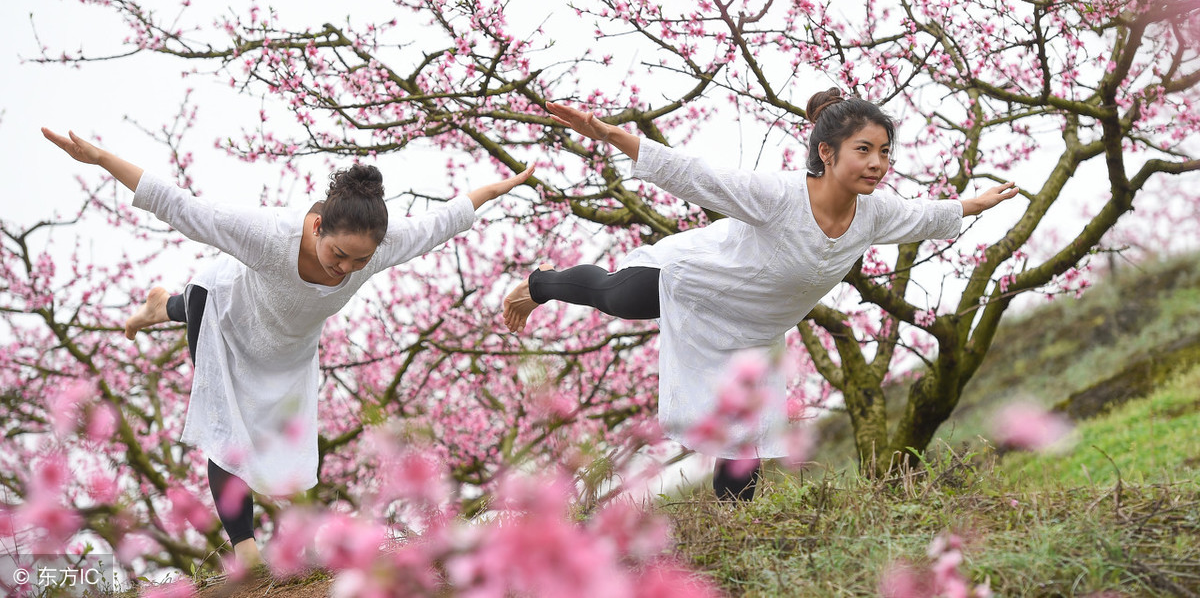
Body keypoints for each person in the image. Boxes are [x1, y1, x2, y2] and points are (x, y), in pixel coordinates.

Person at [42, 127, 532, 567]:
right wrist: (102, 158)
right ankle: (246, 549)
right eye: (339, 254)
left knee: (288, 447)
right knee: (226, 422)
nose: (345, 269)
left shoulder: (377, 247)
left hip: (287, 353)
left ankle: (160, 307)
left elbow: (445, 220)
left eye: (358, 262)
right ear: (317, 226)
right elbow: (181, 206)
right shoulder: (269, 234)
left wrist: (501, 187)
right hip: (224, 318)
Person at [502, 89, 1018, 501]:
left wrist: (976, 202)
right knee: (619, 297)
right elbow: (696, 177)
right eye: (864, 150)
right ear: (827, 151)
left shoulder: (876, 213)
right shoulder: (780, 195)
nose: (878, 163)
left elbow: (927, 216)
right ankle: (540, 282)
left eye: (885, 152)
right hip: (699, 283)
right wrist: (611, 134)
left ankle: (733, 529)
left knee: (744, 437)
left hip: (754, 332)